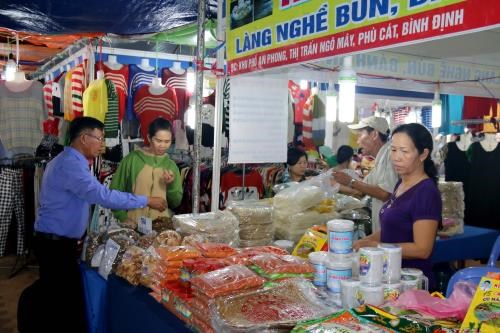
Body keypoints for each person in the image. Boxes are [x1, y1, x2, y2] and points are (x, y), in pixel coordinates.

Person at [30, 117, 167, 332]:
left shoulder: (67, 160)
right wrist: (147, 200)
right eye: (99, 138)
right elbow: (103, 195)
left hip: (56, 242)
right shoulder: (70, 165)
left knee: (57, 299)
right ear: (84, 138)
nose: (102, 144)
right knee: (63, 304)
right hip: (55, 246)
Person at [353, 123, 442, 286]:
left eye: (404, 151)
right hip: (388, 277)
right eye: (393, 150)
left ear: (423, 154)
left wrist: (376, 246)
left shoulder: (426, 192)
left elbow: (422, 249)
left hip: (410, 284)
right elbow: (391, 230)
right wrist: (364, 242)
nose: (396, 157)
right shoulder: (400, 184)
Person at [110, 117, 182, 226]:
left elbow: (175, 203)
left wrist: (170, 185)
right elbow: (114, 192)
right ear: (149, 137)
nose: (163, 145)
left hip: (162, 225)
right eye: (158, 141)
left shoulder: (171, 166)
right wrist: (122, 217)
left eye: (167, 141)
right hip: (134, 223)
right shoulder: (132, 160)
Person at [332, 116, 398, 232]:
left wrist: (350, 181)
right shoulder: (379, 159)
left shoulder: (389, 154)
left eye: (359, 135)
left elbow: (385, 193)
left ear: (374, 135)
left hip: (391, 230)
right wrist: (337, 182)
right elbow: (362, 189)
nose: (357, 142)